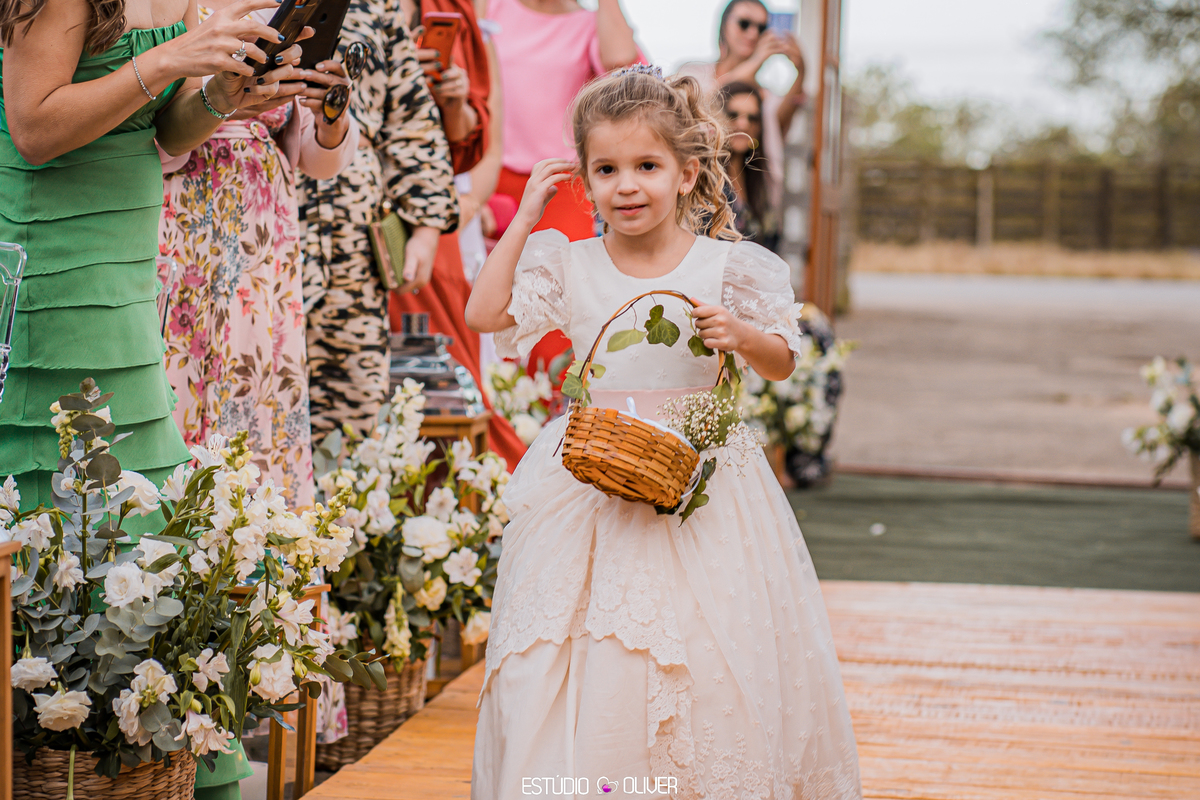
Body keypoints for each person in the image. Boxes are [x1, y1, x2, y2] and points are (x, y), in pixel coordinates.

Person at [464, 67, 862, 799]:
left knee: (703, 649)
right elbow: (484, 316)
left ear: (688, 174)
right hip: (592, 482)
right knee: (569, 648)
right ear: (584, 182)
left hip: (702, 487)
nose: (628, 185)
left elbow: (780, 362)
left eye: (647, 166)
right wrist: (523, 220)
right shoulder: (573, 264)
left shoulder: (725, 267)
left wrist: (739, 334)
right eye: (607, 170)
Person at [0, 0, 299, 519]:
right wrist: (171, 56)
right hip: (53, 253)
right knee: (57, 481)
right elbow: (33, 129)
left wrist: (220, 95)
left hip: (129, 258)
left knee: (128, 481)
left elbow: (168, 128)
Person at [160, 4, 361, 512]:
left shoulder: (283, 7)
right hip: (187, 212)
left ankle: (256, 547)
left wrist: (329, 111)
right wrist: (220, 105)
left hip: (265, 220)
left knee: (259, 376)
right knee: (185, 370)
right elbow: (150, 128)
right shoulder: (172, 8)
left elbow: (317, 159)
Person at [298, 0, 459, 441]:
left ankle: (343, 509)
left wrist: (425, 234)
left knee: (350, 414)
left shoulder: (378, 7)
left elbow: (412, 123)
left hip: (353, 245)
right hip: (263, 223)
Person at [388, 0, 528, 471]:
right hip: (366, 204)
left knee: (453, 381)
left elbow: (485, 147)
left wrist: (455, 102)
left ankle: (468, 514)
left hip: (447, 218)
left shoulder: (466, 21)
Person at [485, 0, 643, 379]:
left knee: (560, 305)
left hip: (561, 184)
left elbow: (622, 63)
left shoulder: (589, 24)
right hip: (491, 181)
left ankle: (551, 423)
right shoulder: (492, 9)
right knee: (490, 304)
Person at [677, 0, 806, 210]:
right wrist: (755, 62)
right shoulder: (692, 74)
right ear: (723, 25)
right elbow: (700, 106)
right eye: (744, 24)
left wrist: (802, 72)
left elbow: (778, 128)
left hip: (750, 202)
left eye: (762, 28)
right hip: (698, 198)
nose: (753, 33)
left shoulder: (766, 94)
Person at [721, 80, 779, 251]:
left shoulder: (760, 180)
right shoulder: (703, 179)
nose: (743, 124)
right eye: (733, 115)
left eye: (752, 118)